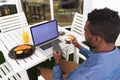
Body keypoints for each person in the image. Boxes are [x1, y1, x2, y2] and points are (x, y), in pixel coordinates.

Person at [53, 8, 120, 80]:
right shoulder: (117, 53)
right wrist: (78, 45)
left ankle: (39, 70)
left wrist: (57, 62)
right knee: (63, 62)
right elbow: (93, 57)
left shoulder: (81, 77)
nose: (84, 34)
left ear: (96, 39)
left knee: (43, 70)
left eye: (85, 31)